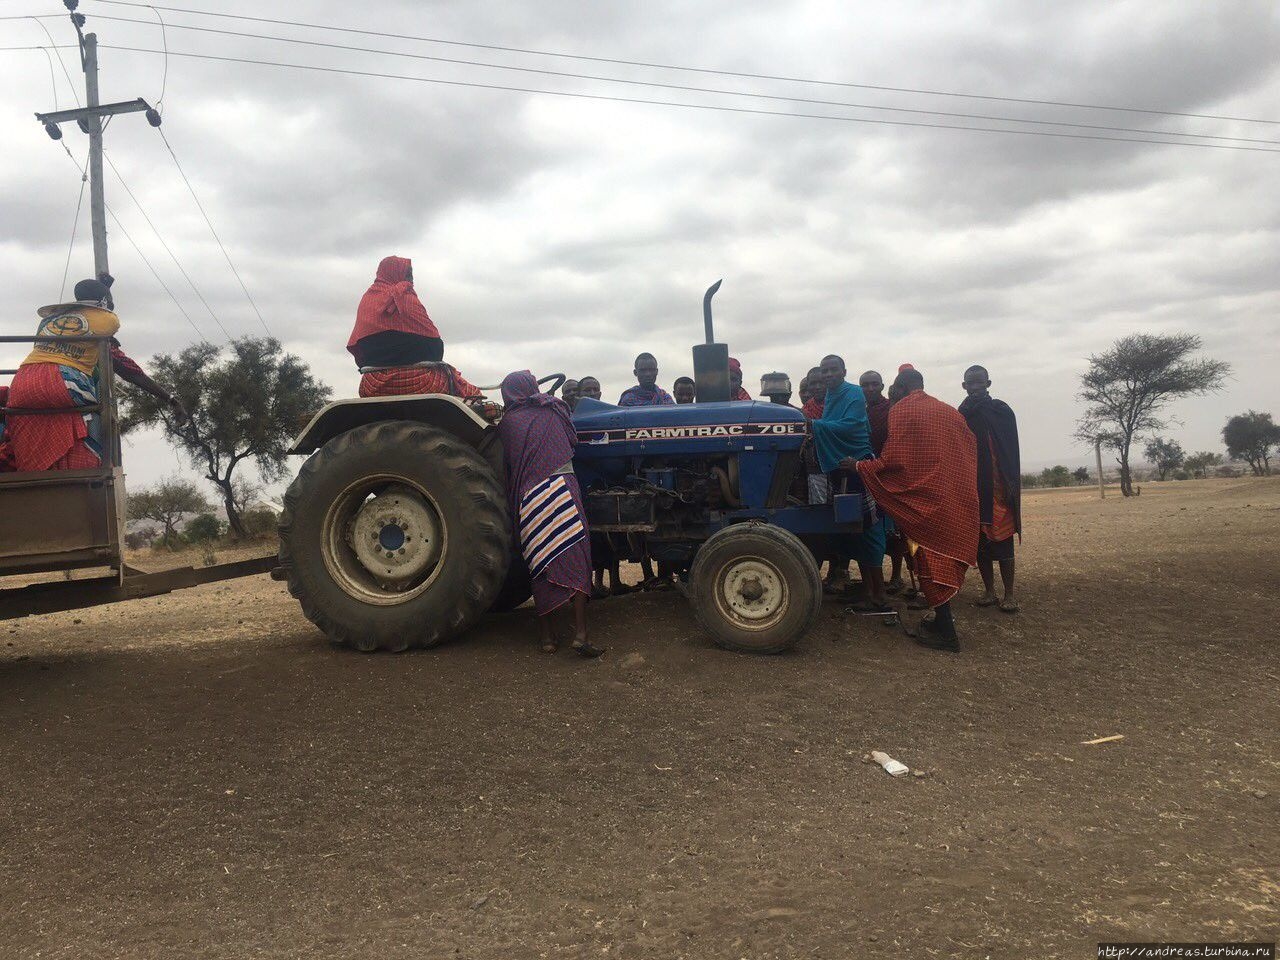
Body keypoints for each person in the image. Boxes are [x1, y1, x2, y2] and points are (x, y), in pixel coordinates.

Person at [4, 277, 184, 472]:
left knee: (35, 422)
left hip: (22, 383)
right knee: (100, 415)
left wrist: (103, 289)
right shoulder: (105, 326)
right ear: (104, 303)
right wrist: (170, 399)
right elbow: (128, 370)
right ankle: (99, 467)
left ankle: (32, 473)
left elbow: (82, 317)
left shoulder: (48, 322)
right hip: (62, 381)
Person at [855, 369, 979, 652]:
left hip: (927, 504)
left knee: (930, 562)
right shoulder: (948, 411)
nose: (889, 396)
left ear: (899, 388)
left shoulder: (902, 411)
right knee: (942, 560)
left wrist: (860, 467)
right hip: (955, 499)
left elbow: (895, 461)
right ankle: (940, 621)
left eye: (891, 391)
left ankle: (946, 633)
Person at [496, 371, 604, 658]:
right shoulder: (555, 409)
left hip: (531, 498)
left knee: (540, 562)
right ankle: (581, 633)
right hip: (563, 491)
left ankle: (547, 637)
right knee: (577, 558)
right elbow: (572, 440)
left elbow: (509, 465)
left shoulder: (508, 423)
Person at [347, 256, 488, 410]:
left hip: (372, 385)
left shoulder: (367, 300)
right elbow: (435, 348)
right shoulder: (405, 296)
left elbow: (360, 353)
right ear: (398, 274)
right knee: (473, 396)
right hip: (420, 382)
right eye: (408, 274)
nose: (411, 280)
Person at [813, 355, 889, 614]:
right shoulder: (832, 397)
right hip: (840, 468)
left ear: (844, 371)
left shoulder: (854, 393)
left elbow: (853, 425)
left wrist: (814, 426)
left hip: (857, 467)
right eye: (825, 371)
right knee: (853, 530)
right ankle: (868, 591)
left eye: (833, 370)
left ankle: (879, 594)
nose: (829, 374)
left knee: (869, 528)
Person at [960, 365, 1021, 613]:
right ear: (964, 386)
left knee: (1004, 543)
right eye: (970, 384)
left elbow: (1010, 452)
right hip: (974, 490)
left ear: (988, 383)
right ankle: (989, 591)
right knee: (981, 544)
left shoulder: (1001, 411)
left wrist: (1010, 485)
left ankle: (1010, 595)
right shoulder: (961, 414)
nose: (975, 388)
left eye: (980, 383)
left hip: (999, 490)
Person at [859, 370, 890, 456]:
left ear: (882, 386)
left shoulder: (892, 407)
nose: (870, 389)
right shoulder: (857, 410)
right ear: (859, 388)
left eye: (875, 384)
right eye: (865, 385)